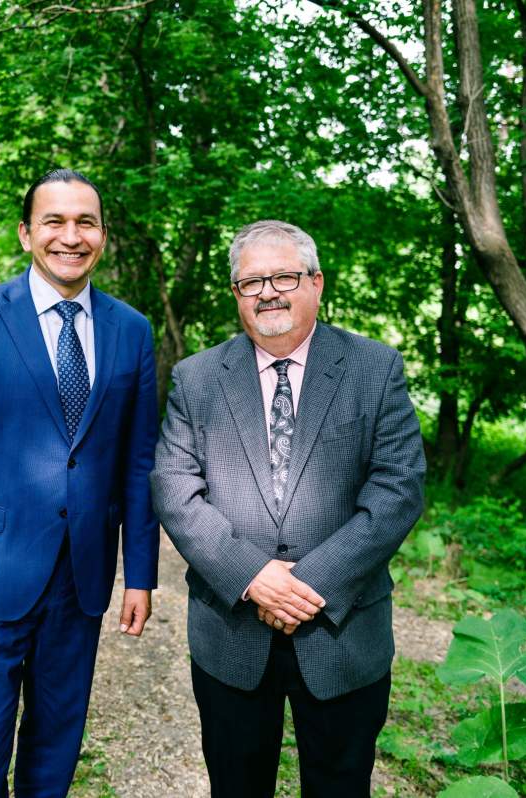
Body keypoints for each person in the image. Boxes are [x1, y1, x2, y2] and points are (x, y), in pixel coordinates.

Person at [150, 219, 425, 797]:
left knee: (340, 787)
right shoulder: (197, 378)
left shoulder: (375, 370)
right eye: (252, 282)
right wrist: (251, 576)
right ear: (236, 295)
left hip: (343, 630)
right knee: (235, 786)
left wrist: (308, 583)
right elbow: (174, 487)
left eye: (284, 276)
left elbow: (398, 489)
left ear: (317, 283)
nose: (268, 291)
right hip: (231, 634)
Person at [0, 168, 160, 797]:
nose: (70, 236)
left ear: (103, 235)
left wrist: (140, 574)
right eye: (54, 221)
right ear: (26, 233)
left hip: (82, 581)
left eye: (86, 222)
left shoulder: (131, 331)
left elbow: (138, 462)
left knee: (55, 751)